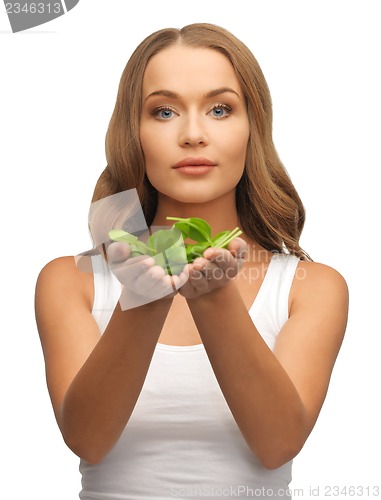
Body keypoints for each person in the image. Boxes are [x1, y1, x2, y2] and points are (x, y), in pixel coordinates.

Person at [35, 23, 349, 500]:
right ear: (133, 132)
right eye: (163, 111)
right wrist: (143, 297)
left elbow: (278, 444)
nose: (193, 134)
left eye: (220, 109)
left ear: (253, 127)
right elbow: (87, 440)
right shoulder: (71, 281)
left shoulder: (312, 287)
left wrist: (215, 300)